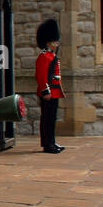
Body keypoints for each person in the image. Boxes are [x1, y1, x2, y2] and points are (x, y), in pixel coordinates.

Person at [35, 18, 65, 153]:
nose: (57, 44)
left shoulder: (51, 56)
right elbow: (41, 76)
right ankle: (47, 144)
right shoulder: (44, 57)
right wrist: (45, 91)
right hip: (48, 92)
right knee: (47, 119)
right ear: (48, 42)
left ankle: (51, 142)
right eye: (55, 41)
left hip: (54, 91)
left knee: (51, 119)